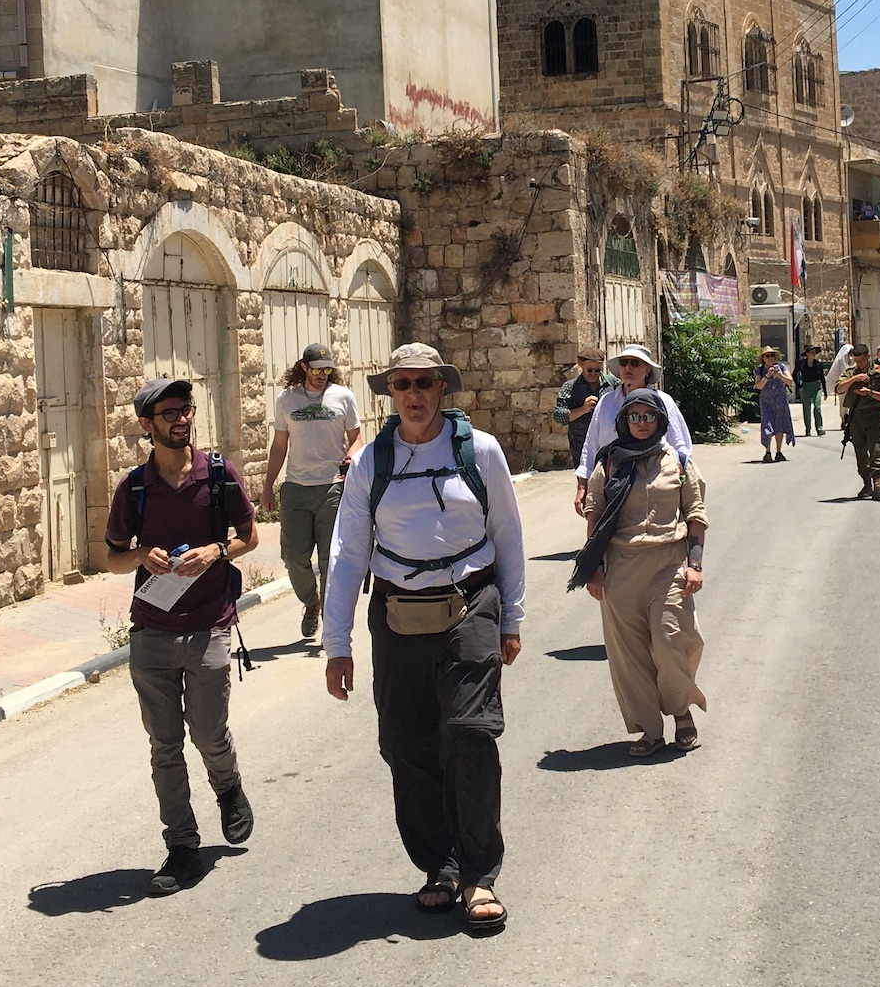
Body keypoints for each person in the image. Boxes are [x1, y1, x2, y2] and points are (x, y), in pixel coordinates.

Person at [323, 343, 527, 932]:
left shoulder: (479, 452)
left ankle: (479, 874)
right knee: (407, 742)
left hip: (471, 602)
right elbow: (347, 554)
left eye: (425, 383)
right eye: (403, 383)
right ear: (390, 392)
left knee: (469, 731)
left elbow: (508, 536)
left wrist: (510, 617)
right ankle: (438, 866)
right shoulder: (371, 463)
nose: (414, 393)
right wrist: (337, 644)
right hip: (396, 614)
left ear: (442, 389)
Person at [105, 377, 260, 897]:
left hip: (210, 626)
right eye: (169, 412)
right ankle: (183, 846)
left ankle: (228, 789)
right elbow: (111, 557)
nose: (181, 418)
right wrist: (140, 557)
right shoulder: (135, 488)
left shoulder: (218, 475)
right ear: (147, 425)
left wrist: (216, 551)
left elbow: (249, 536)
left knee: (209, 733)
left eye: (186, 409)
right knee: (164, 746)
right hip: (151, 634)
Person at [572, 390, 709, 756]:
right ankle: (650, 729)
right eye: (634, 417)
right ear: (624, 421)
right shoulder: (610, 462)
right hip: (621, 568)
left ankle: (681, 711)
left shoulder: (679, 462)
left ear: (661, 419)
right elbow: (595, 516)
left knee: (670, 640)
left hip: (668, 563)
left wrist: (694, 565)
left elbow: (695, 515)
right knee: (630, 656)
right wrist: (594, 571)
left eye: (649, 416)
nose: (642, 423)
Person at [262, 343, 362, 641]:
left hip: (331, 486)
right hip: (295, 489)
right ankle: (311, 601)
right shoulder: (287, 399)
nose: (322, 375)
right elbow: (280, 445)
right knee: (293, 557)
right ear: (304, 367)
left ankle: (331, 618)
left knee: (329, 559)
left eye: (327, 370)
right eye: (317, 369)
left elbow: (356, 438)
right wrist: (268, 486)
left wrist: (352, 456)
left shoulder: (343, 397)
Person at [574, 343, 694, 516]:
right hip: (611, 483)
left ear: (648, 370)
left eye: (635, 363)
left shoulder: (664, 402)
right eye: (624, 362)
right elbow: (591, 445)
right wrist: (582, 485)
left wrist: (685, 487)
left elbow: (680, 448)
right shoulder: (607, 402)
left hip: (654, 484)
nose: (628, 367)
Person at [836, 348, 880, 500]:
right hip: (856, 418)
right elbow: (839, 389)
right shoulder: (850, 373)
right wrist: (854, 379)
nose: (859, 363)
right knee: (860, 452)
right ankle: (867, 484)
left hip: (874, 416)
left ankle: (878, 484)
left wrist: (869, 393)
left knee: (875, 450)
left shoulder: (879, 373)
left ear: (868, 356)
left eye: (862, 360)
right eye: (856, 360)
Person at [554, 348, 618, 470]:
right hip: (581, 446)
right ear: (581, 365)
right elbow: (558, 415)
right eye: (589, 370)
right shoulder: (570, 387)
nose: (593, 373)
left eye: (597, 370)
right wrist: (583, 409)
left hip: (609, 444)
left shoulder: (613, 384)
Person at [754, 347, 796, 462]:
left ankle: (778, 452)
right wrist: (767, 376)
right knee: (767, 426)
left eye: (772, 356)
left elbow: (790, 381)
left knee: (779, 427)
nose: (770, 358)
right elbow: (758, 386)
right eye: (767, 356)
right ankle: (767, 452)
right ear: (763, 358)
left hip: (780, 402)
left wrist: (780, 376)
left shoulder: (781, 367)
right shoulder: (760, 370)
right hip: (766, 403)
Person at [796, 345, 829, 436]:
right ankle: (808, 429)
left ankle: (819, 428)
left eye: (814, 353)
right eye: (811, 353)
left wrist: (825, 392)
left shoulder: (818, 364)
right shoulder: (801, 364)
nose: (813, 355)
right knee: (806, 409)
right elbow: (795, 375)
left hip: (816, 387)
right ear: (807, 354)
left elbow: (822, 377)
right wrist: (799, 386)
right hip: (805, 387)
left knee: (817, 407)